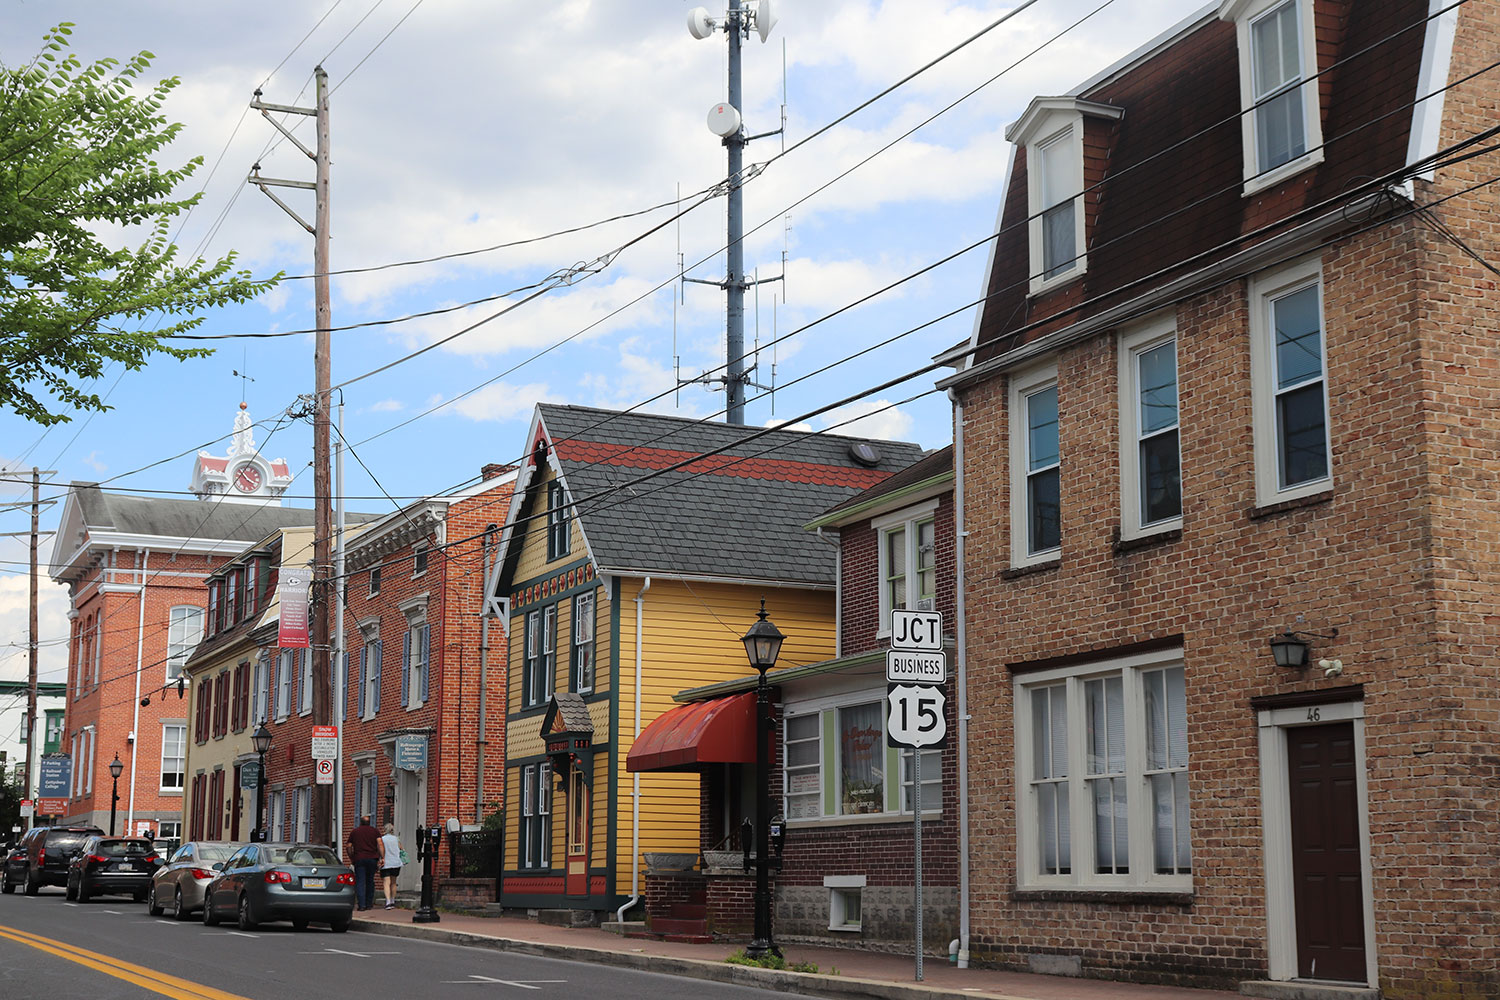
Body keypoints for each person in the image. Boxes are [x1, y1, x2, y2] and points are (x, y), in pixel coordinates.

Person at [347, 814, 381, 911]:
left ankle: (361, 905)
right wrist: (382, 857)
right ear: (369, 823)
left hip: (359, 858)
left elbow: (348, 846)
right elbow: (380, 844)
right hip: (372, 858)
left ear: (360, 822)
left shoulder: (355, 832)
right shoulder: (375, 831)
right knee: (370, 881)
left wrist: (352, 857)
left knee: (360, 882)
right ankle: (369, 904)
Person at [378, 823, 402, 909]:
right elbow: (401, 848)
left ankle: (388, 902)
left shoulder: (382, 839)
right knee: (394, 882)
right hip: (396, 862)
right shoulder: (396, 839)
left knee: (386, 882)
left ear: (385, 830)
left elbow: (380, 849)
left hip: (386, 862)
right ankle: (392, 900)